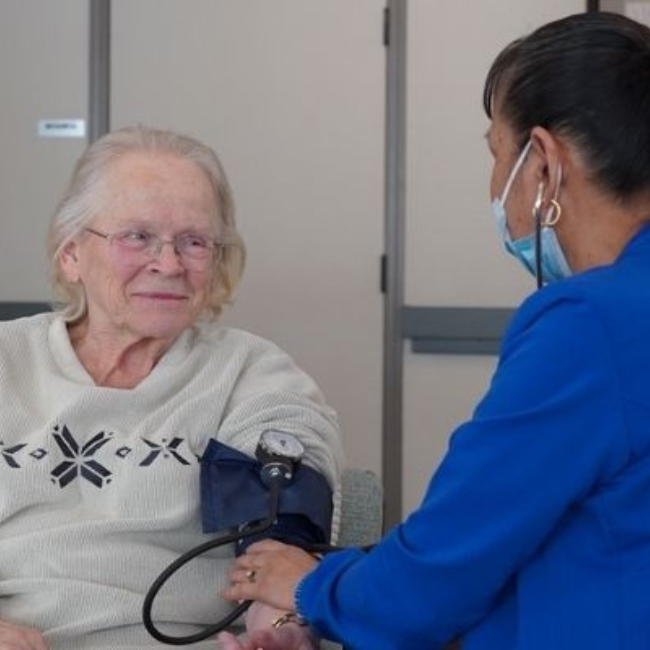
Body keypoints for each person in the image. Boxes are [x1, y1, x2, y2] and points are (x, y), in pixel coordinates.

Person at [222, 11, 650, 650]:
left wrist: (311, 587)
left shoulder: (589, 325)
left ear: (543, 165)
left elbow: (434, 580)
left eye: (496, 154)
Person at [0, 125, 343, 649]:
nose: (168, 264)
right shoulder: (7, 361)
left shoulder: (250, 375)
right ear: (72, 254)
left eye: (194, 242)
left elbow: (281, 544)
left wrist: (280, 629)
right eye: (136, 236)